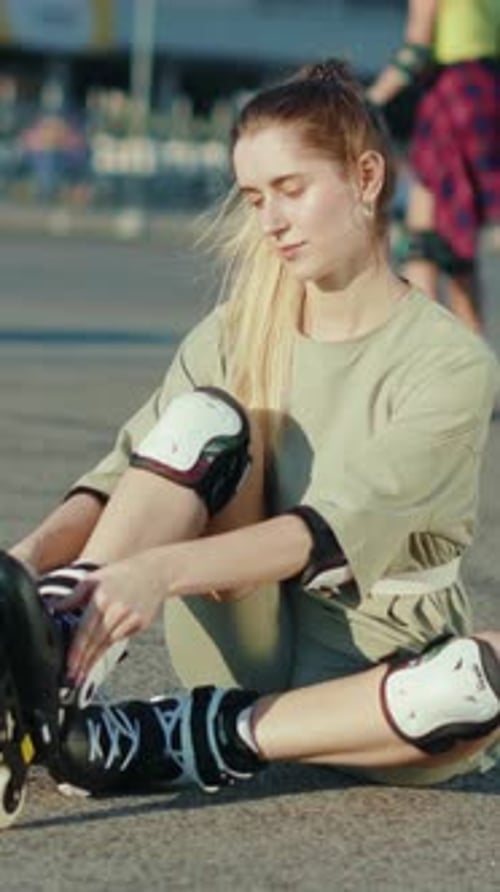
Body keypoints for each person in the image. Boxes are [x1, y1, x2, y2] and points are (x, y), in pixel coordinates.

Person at [0, 58, 499, 827]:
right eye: (256, 198)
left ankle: (172, 739)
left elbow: (326, 533)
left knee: (476, 678)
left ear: (366, 177)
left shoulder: (451, 363)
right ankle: (57, 665)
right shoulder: (238, 330)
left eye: (291, 190)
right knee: (204, 420)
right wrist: (22, 576)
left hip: (374, 686)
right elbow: (125, 475)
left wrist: (159, 571)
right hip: (243, 637)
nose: (271, 222)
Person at [367, 0, 500, 334]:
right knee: (457, 239)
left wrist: (367, 102)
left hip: (451, 95)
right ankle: (472, 348)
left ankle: (429, 345)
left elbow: (416, 53)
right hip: (488, 95)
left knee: (423, 242)